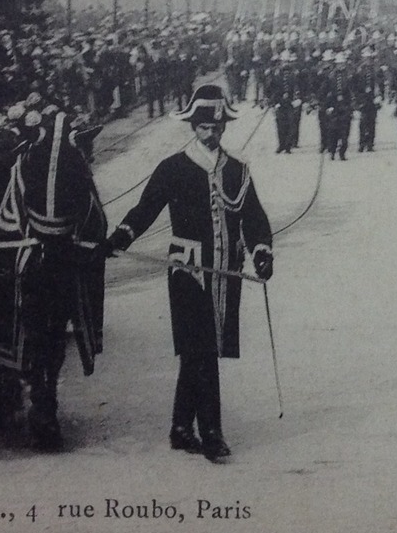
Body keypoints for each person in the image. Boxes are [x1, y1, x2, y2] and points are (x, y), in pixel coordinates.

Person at [106, 84, 274, 462]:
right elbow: (144, 209)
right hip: (188, 272)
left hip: (225, 274)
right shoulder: (173, 168)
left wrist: (262, 252)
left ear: (224, 127)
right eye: (203, 127)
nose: (210, 133)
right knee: (202, 351)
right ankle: (211, 433)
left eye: (216, 127)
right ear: (193, 127)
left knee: (201, 351)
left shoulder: (237, 171)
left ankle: (181, 428)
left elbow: (254, 218)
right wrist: (119, 238)